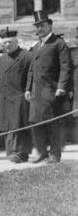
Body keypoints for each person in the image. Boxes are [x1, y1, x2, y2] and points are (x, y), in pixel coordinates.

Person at [25, 10, 72, 164]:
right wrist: (27, 88)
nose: (39, 29)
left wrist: (61, 86)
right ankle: (42, 152)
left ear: (50, 25)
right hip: (36, 93)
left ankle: (54, 155)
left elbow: (66, 67)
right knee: (35, 123)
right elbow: (31, 69)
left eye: (42, 25)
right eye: (37, 26)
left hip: (51, 91)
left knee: (53, 124)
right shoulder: (36, 46)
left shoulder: (59, 44)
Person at [0, 27, 32, 163]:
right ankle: (11, 152)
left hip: (20, 97)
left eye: (10, 42)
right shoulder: (1, 59)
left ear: (16, 41)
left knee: (20, 124)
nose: (7, 45)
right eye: (4, 43)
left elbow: (30, 76)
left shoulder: (27, 56)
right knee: (7, 125)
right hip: (4, 97)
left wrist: (28, 90)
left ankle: (21, 153)